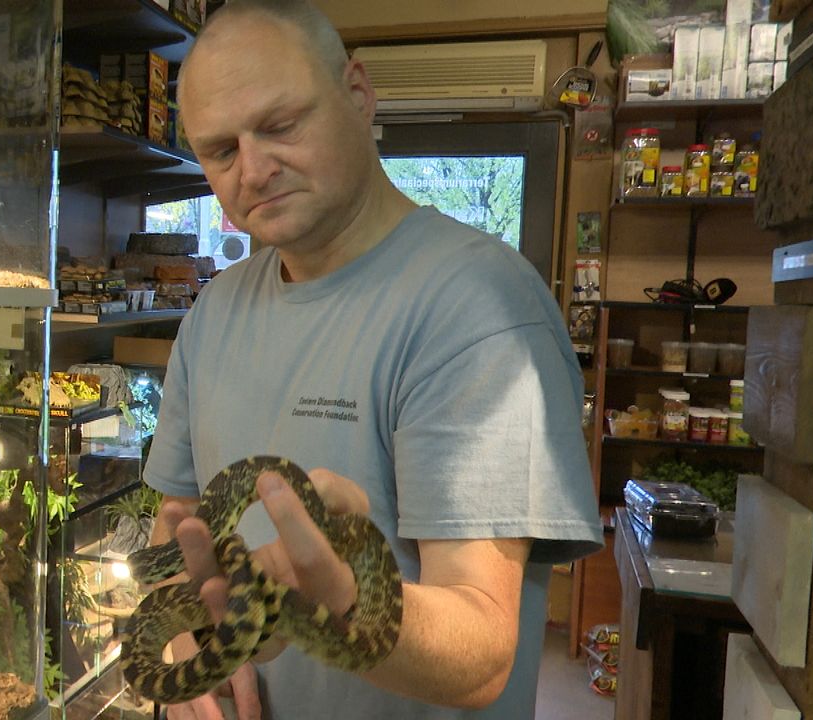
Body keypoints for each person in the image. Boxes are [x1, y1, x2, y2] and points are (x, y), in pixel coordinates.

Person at [140, 1, 604, 718]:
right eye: (222, 150)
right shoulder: (213, 313)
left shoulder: (476, 308)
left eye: (280, 125)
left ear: (358, 94)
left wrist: (348, 609)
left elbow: (481, 652)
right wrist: (184, 659)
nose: (254, 170)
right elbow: (176, 522)